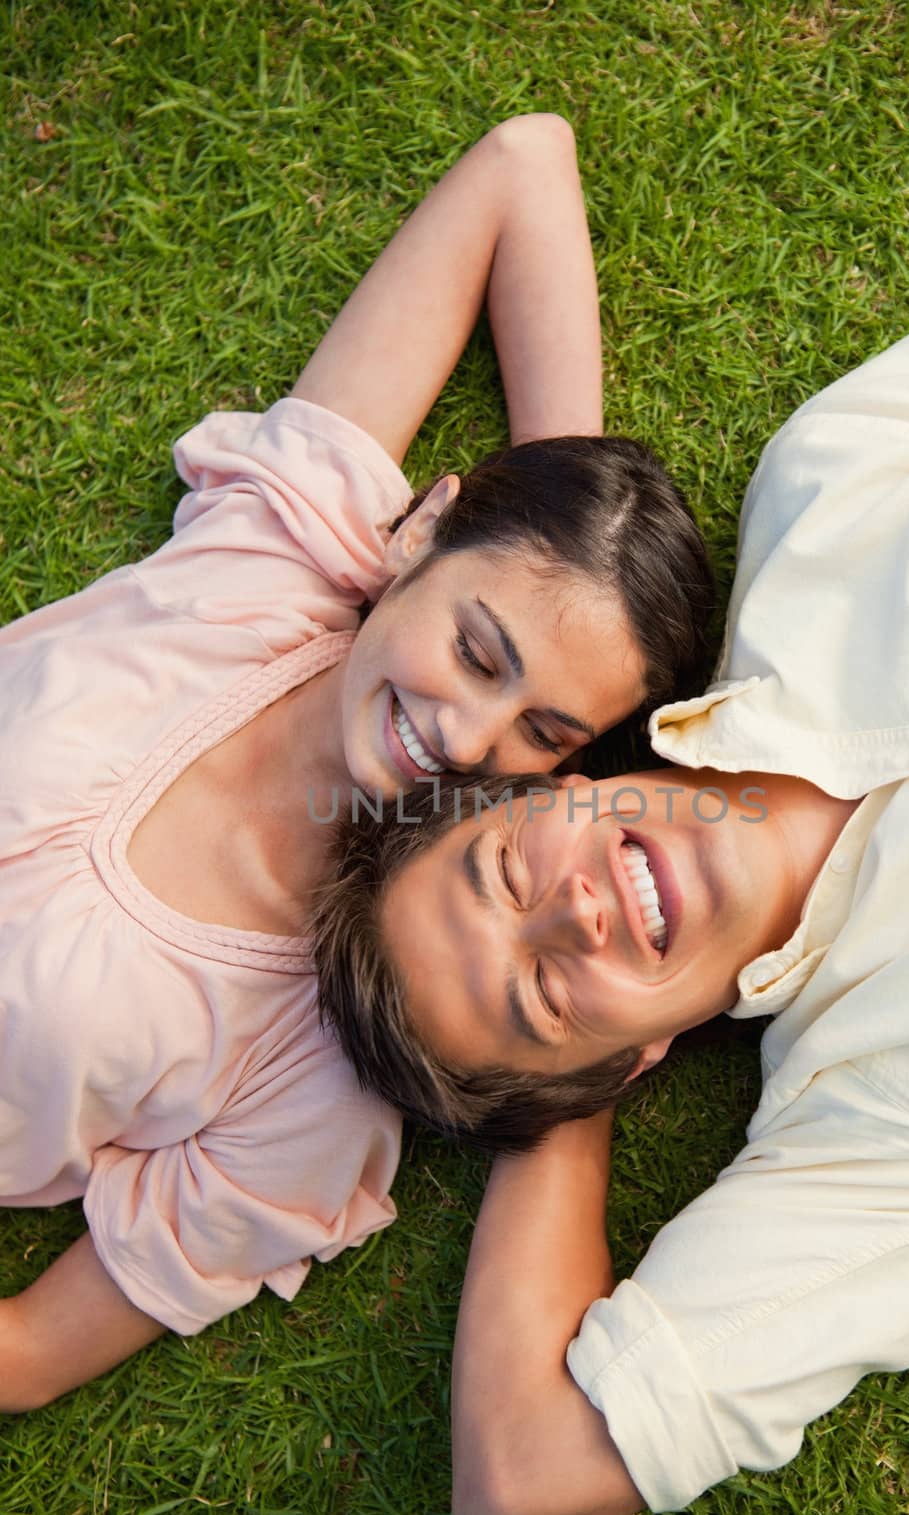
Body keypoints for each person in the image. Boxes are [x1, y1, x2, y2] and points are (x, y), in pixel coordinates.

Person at [312, 254, 909, 1515]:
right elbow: (524, 1477)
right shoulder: (887, 1124)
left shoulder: (838, 492)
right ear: (633, 1063)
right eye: (545, 991)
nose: (577, 916)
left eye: (508, 872)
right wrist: (564, 1101)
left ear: (550, 791)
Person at [0, 114, 716, 1412]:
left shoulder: (331, 1059)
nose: (464, 737)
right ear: (422, 531)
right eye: (481, 648)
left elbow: (28, 1354)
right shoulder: (275, 565)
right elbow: (522, 163)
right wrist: (579, 522)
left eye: (544, 732)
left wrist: (567, 648)